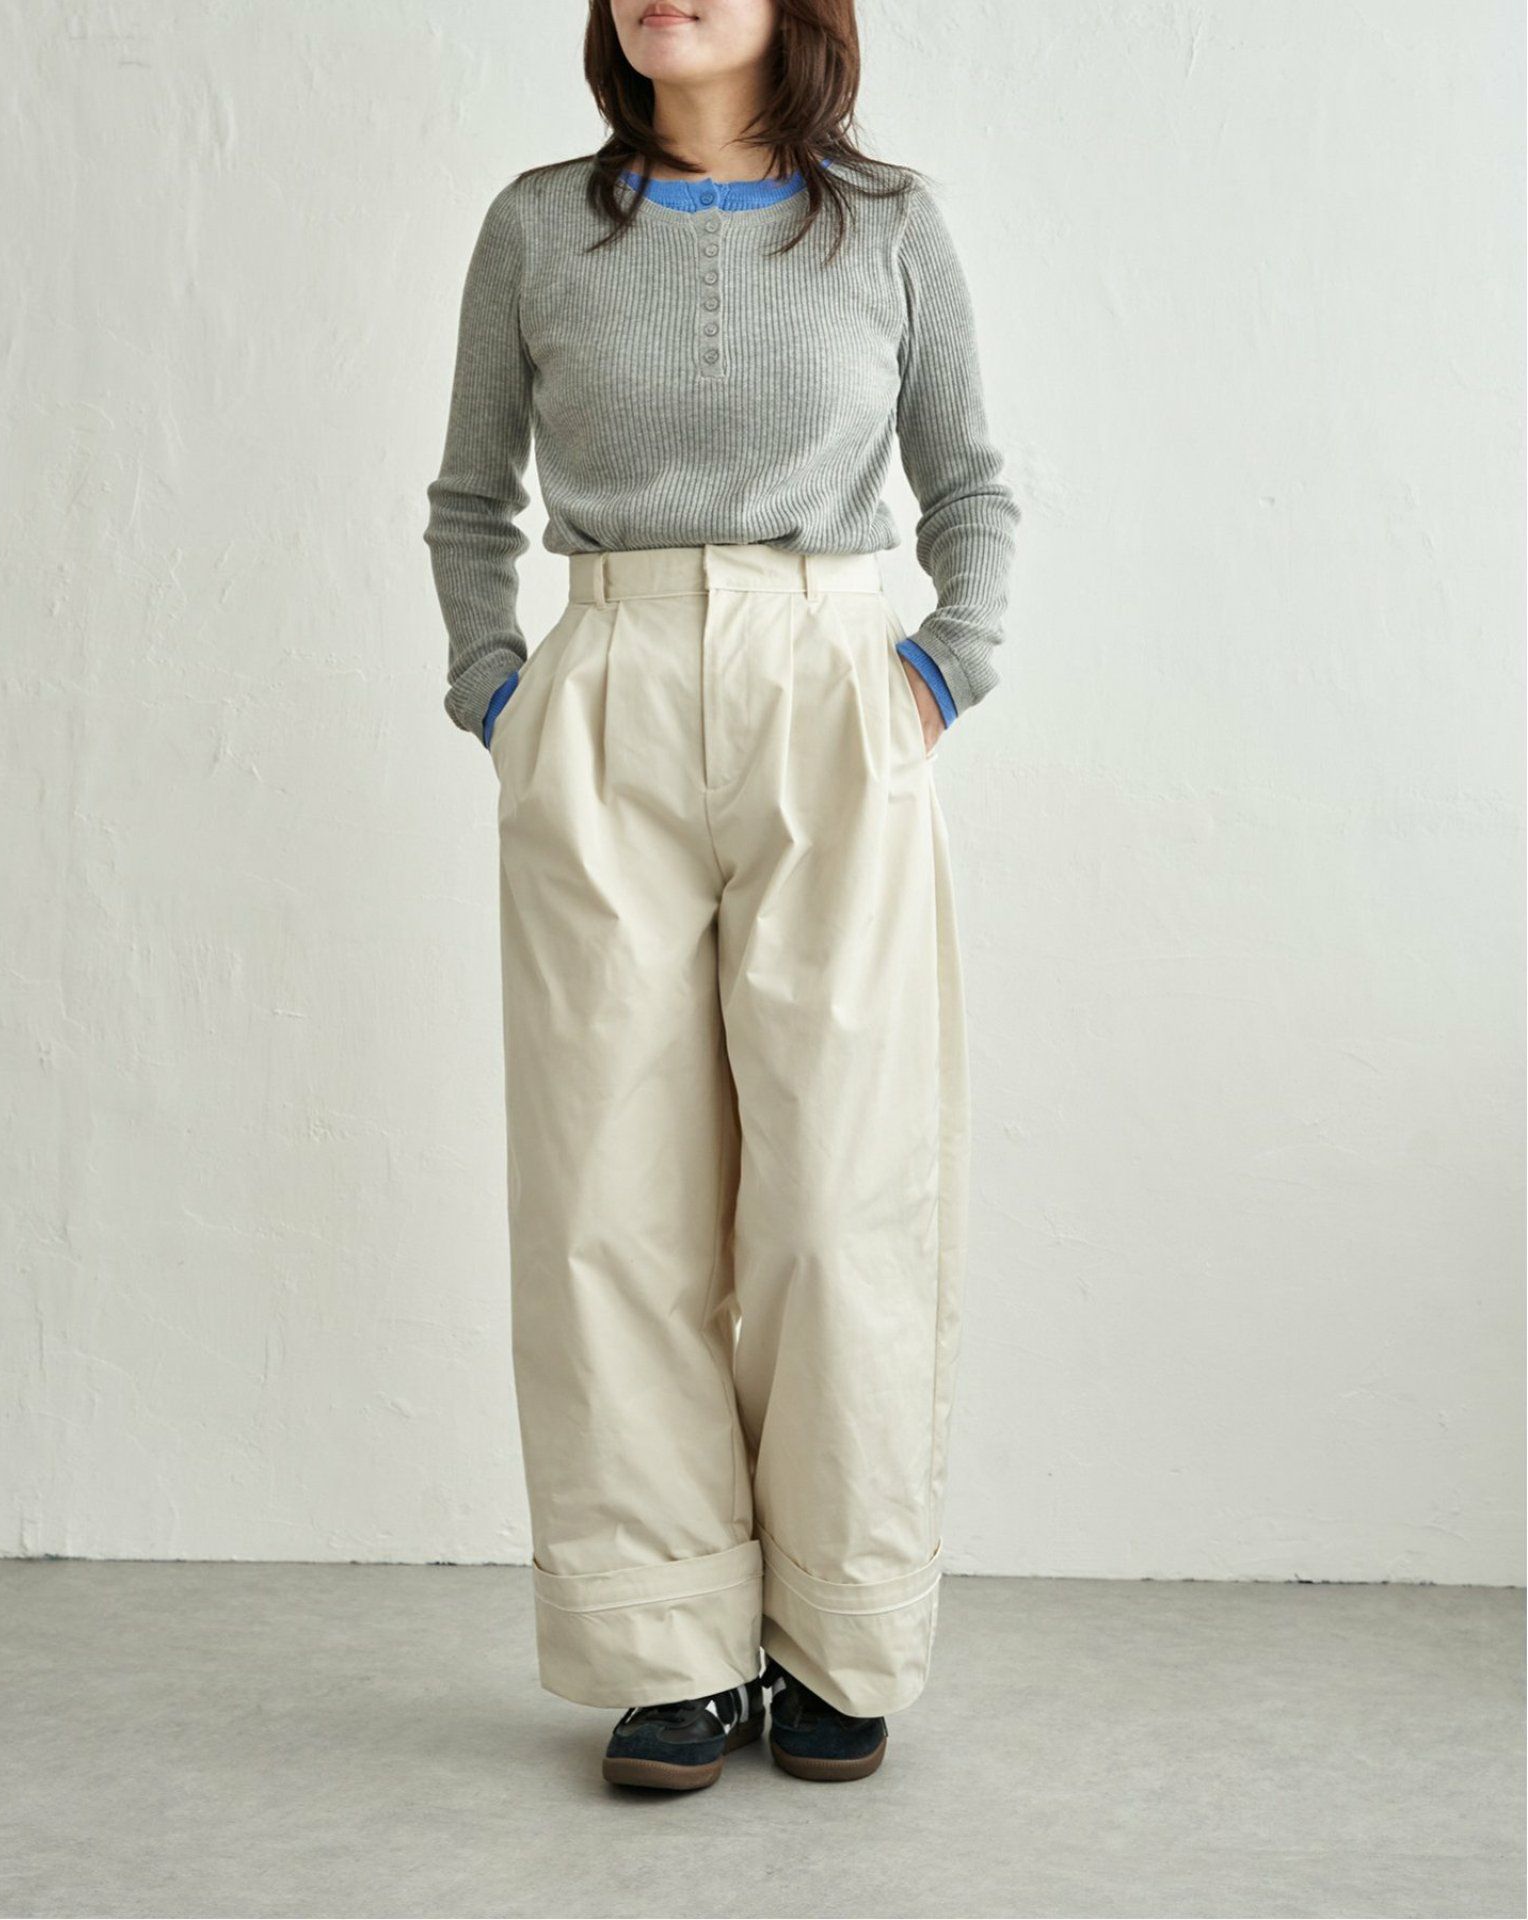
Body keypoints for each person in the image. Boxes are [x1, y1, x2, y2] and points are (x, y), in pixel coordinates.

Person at [423, 0, 1018, 1792]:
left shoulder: (888, 223)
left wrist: (941, 671)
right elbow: (471, 500)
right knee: (610, 1194)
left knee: (839, 1194)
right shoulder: (540, 225)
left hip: (831, 686)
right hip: (603, 690)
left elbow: (972, 486)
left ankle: (839, 1628)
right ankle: (666, 1642)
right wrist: (499, 693)